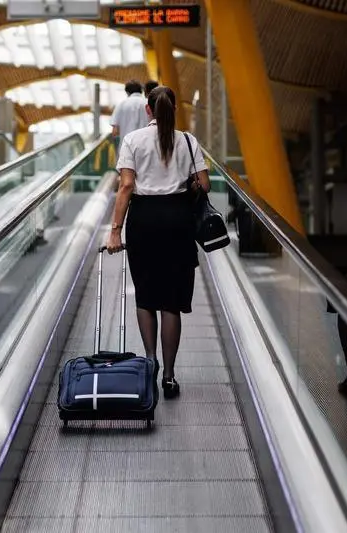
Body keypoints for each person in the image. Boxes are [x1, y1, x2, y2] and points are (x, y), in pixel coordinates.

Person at [106, 86, 210, 399]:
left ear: (148, 110)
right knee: (171, 302)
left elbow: (125, 187)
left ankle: (149, 364)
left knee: (146, 297)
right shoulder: (188, 141)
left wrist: (115, 231)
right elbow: (203, 183)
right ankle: (170, 375)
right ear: (173, 109)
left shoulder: (133, 140)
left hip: (144, 222)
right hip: (178, 221)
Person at [110, 80, 147, 146]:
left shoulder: (121, 105)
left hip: (127, 146)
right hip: (146, 145)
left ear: (127, 92)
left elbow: (115, 132)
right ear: (141, 91)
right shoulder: (148, 103)